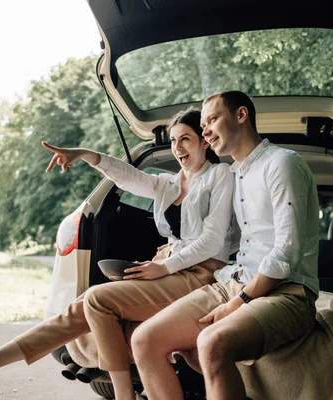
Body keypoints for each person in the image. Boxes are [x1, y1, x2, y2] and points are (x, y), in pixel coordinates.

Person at [0, 109, 235, 399]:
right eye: (173, 140)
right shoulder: (167, 184)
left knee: (96, 300)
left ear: (204, 141)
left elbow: (211, 240)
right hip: (170, 270)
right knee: (80, 307)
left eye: (185, 139)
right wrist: (87, 155)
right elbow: (126, 176)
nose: (177, 147)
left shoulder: (219, 176)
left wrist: (164, 266)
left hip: (201, 276)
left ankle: (124, 396)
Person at [131, 91, 320, 400]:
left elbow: (286, 253)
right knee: (144, 340)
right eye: (203, 124)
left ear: (241, 115)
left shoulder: (282, 164)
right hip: (235, 280)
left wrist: (239, 301)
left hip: (288, 292)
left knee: (211, 342)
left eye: (213, 120)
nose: (205, 131)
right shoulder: (233, 174)